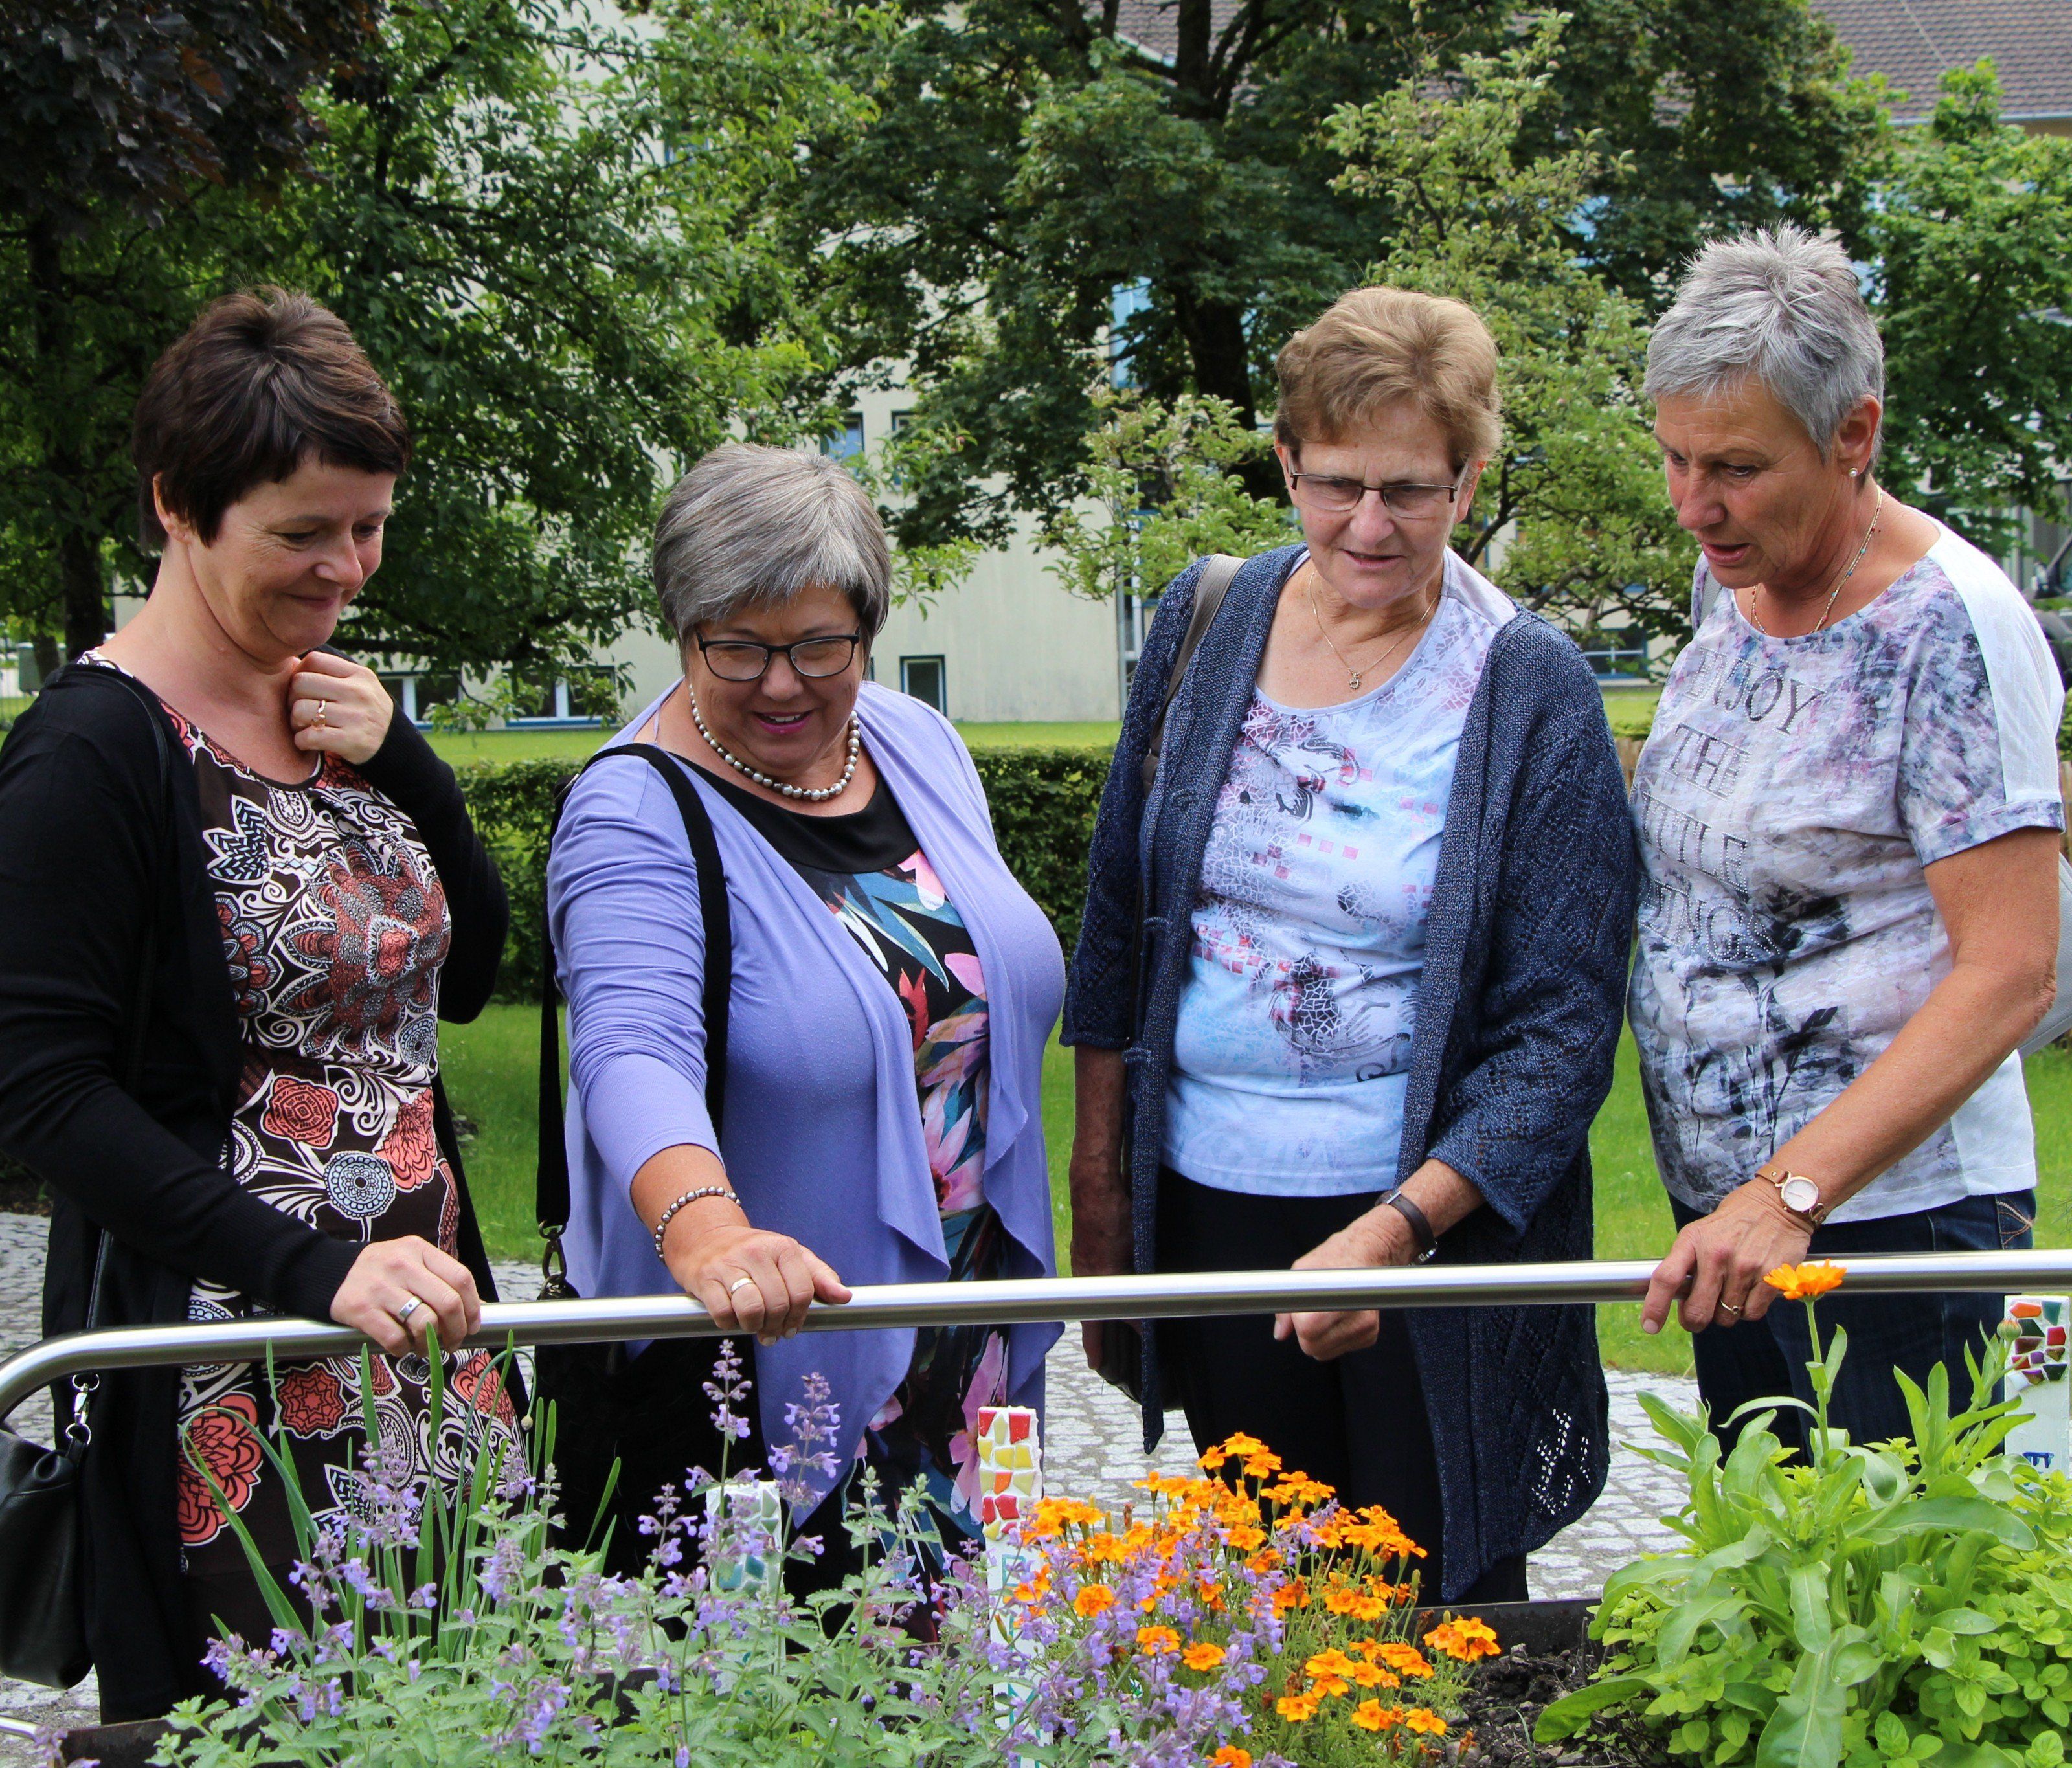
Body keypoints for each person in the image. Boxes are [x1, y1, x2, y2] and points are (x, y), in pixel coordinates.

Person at [1064, 287, 1637, 1604]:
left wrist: (1394, 1234)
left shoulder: (1523, 682)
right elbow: (1117, 926)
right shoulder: (1206, 621)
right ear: (1283, 462)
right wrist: (1106, 1219)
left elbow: (1558, 1035)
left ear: (1469, 478)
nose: (1368, 527)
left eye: (1410, 492)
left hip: (1425, 1230)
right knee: (1273, 1610)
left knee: (1435, 1615)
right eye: (1334, 486)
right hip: (1212, 1210)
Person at [0, 289, 517, 1718]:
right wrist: (307, 1273)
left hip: (423, 1328)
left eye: (370, 526)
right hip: (229, 1356)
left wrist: (411, 764)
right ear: (179, 504)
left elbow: (465, 979)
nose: (348, 567)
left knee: (468, 1722)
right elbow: (43, 1091)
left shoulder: (336, 707)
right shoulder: (91, 753)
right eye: (304, 532)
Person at [547, 442, 1064, 1578]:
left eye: (821, 645)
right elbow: (632, 1049)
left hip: (964, 1329)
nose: (783, 682)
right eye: (736, 644)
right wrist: (709, 1230)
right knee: (793, 1701)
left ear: (869, 630)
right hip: (783, 1349)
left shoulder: (912, 741)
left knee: (965, 1680)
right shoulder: (633, 810)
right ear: (682, 631)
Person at [1632, 226, 2064, 1451]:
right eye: (1674, 458)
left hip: (1890, 1226)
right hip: (1731, 1214)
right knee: (1774, 1605)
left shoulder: (1952, 627)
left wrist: (1794, 1191)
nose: (1694, 504)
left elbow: (2012, 969)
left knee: (1899, 1619)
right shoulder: (1737, 571)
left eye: (1736, 467)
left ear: (1854, 436)